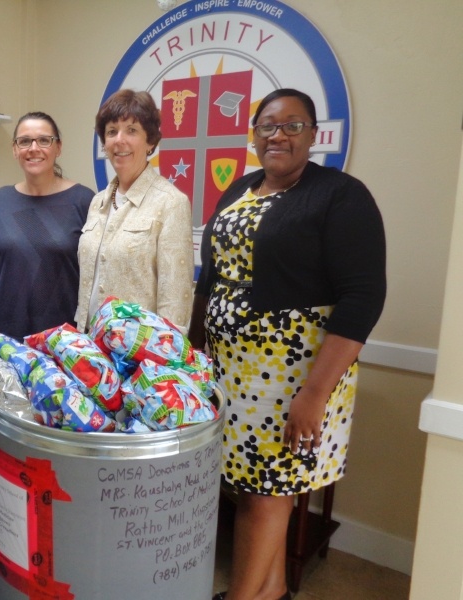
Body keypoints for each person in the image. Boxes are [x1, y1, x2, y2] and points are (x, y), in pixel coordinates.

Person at [187, 89, 386, 600]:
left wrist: (314, 394)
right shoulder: (240, 190)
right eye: (267, 126)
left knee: (262, 496)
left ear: (313, 135)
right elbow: (209, 277)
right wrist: (197, 354)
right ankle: (271, 591)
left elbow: (363, 297)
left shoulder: (341, 194)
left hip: (295, 376)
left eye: (292, 126)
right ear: (253, 135)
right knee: (260, 491)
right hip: (235, 372)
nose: (278, 135)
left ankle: (241, 597)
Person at [75, 89, 194, 332]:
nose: (119, 140)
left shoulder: (170, 203)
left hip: (137, 354)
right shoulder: (98, 202)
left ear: (150, 141)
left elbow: (175, 303)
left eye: (131, 130)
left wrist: (162, 358)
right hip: (88, 347)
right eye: (111, 132)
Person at [0, 111, 94, 339]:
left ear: (58, 148)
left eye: (44, 140)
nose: (33, 148)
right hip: (7, 340)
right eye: (24, 141)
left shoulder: (84, 201)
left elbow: (97, 278)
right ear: (15, 149)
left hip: (63, 342)